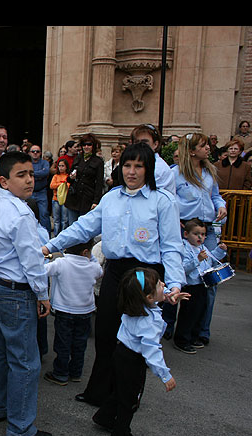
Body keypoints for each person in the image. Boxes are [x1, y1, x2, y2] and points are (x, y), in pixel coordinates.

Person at [42, 142, 185, 408]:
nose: (131, 172)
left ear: (148, 169)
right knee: (106, 334)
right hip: (115, 271)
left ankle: (124, 400)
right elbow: (83, 227)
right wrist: (50, 246)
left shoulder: (162, 201)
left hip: (144, 276)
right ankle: (98, 391)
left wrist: (174, 284)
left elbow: (172, 247)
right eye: (127, 166)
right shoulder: (111, 198)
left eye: (138, 166)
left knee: (136, 341)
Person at [0, 150, 53, 436]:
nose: (28, 180)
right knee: (25, 362)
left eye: (31, 174)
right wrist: (42, 294)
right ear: (4, 180)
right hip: (16, 292)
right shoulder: (21, 213)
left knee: (0, 351)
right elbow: (32, 261)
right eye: (20, 175)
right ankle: (21, 429)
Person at [92, 268, 178, 436]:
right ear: (148, 296)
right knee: (130, 400)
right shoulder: (149, 321)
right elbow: (152, 350)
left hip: (120, 353)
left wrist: (168, 296)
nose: (164, 285)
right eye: (160, 284)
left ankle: (104, 417)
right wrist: (165, 375)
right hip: (132, 361)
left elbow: (154, 298)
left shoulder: (134, 306)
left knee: (119, 391)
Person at [171, 133, 227, 346]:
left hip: (208, 229)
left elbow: (215, 196)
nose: (208, 149)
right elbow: (170, 200)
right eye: (203, 146)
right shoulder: (175, 173)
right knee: (180, 274)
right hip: (185, 227)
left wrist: (221, 205)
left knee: (210, 280)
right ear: (192, 150)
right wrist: (177, 220)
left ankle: (202, 329)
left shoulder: (209, 171)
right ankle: (170, 325)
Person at [43, 240, 104, 386]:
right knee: (79, 344)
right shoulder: (93, 266)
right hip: (86, 311)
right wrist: (92, 258)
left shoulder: (61, 263)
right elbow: (100, 271)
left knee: (63, 343)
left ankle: (60, 373)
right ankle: (76, 373)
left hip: (64, 311)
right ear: (85, 252)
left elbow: (42, 270)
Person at [174, 218, 228, 354]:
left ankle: (193, 336)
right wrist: (197, 260)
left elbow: (211, 258)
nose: (200, 237)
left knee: (200, 311)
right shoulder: (184, 248)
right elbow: (183, 268)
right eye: (196, 234)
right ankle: (181, 339)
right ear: (186, 234)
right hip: (191, 286)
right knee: (188, 313)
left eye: (203, 234)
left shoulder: (202, 247)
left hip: (203, 284)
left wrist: (220, 251)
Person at [63, 133, 104, 225]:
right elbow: (69, 179)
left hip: (88, 198)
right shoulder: (78, 158)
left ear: (93, 146)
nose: (86, 147)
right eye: (84, 145)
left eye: (89, 144)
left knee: (86, 227)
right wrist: (71, 177)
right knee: (72, 226)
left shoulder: (98, 161)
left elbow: (99, 182)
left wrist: (96, 201)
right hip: (74, 197)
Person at [130, 124, 175, 194]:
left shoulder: (158, 168)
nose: (140, 146)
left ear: (155, 144)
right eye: (136, 142)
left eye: (144, 142)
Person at [29, 144, 51, 233]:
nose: (35, 153)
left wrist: (32, 173)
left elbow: (45, 172)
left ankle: (47, 235)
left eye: (37, 151)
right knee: (29, 215)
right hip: (30, 192)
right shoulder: (27, 163)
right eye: (33, 151)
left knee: (44, 214)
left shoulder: (44, 162)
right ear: (30, 153)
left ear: (40, 153)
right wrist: (39, 174)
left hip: (41, 192)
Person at [49, 157, 70, 236]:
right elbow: (52, 185)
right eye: (59, 166)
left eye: (62, 166)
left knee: (64, 220)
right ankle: (56, 235)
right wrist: (61, 184)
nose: (60, 168)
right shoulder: (55, 176)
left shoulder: (68, 176)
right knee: (56, 220)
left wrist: (60, 185)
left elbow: (68, 185)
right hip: (55, 199)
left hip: (65, 200)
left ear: (66, 167)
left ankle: (63, 236)